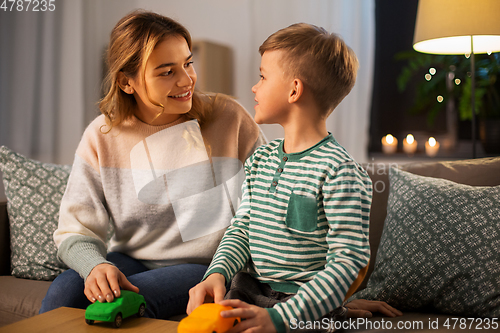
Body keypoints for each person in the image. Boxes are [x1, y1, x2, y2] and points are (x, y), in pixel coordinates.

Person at [39, 10, 266, 319]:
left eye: (188, 64)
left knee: (121, 305)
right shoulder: (102, 135)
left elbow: (268, 201)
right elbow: (75, 229)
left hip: (208, 265)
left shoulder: (229, 117)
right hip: (133, 258)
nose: (187, 80)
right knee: (63, 292)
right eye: (166, 72)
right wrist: (96, 265)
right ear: (126, 82)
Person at [187, 23, 392, 332]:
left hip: (305, 307)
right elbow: (242, 229)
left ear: (294, 90)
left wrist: (281, 318)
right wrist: (216, 273)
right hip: (249, 290)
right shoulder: (260, 159)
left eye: (262, 76)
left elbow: (348, 261)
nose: (254, 87)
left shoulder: (341, 172)